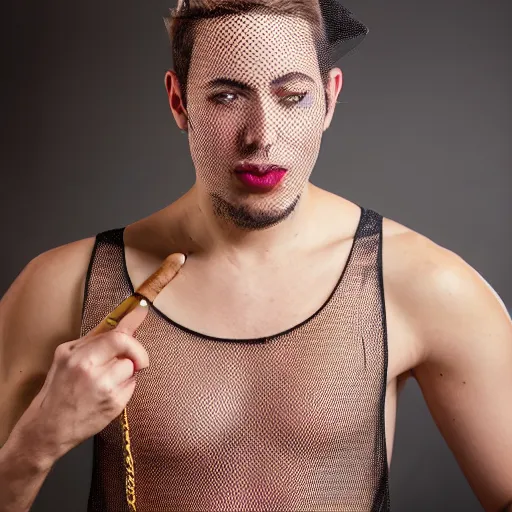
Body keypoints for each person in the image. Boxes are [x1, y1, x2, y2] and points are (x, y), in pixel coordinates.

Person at [1, 0, 511, 511]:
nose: (262, 136)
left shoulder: (419, 281)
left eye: (292, 97)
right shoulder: (66, 285)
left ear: (330, 99)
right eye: (226, 96)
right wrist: (36, 443)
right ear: (179, 102)